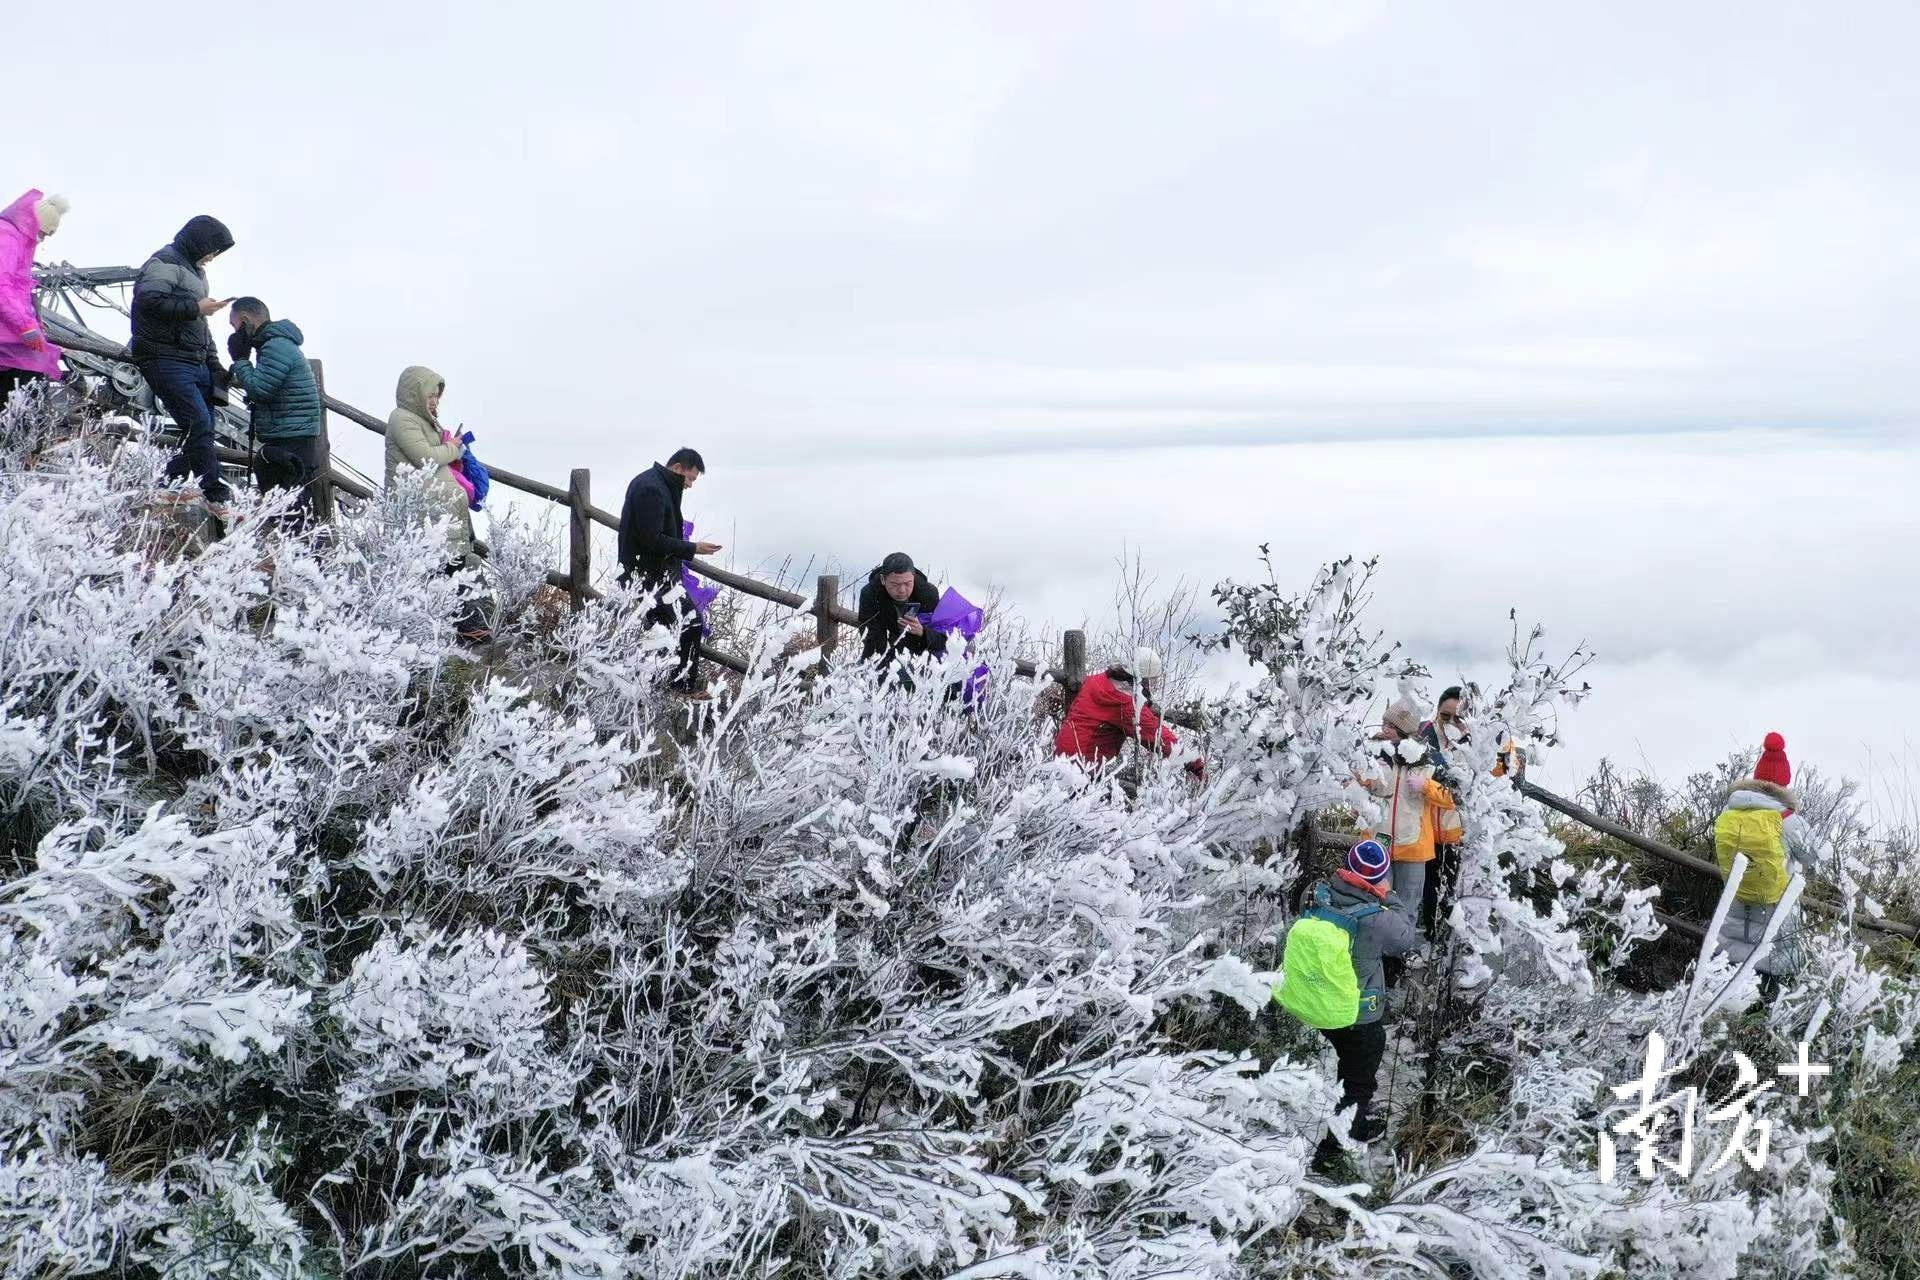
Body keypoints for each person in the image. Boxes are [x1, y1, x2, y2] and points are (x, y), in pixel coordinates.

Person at [1304, 838, 1420, 1171]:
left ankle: (1353, 1123)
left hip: (1320, 1002)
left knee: (1349, 1065)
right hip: (1356, 1013)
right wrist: (1391, 895)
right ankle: (1331, 1155)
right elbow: (1406, 936)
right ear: (1380, 878)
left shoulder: (1318, 893)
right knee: (1360, 1081)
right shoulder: (1377, 918)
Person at [132, 215, 237, 519]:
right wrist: (196, 307)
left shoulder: (197, 272)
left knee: (203, 428)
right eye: (213, 249)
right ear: (199, 242)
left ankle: (166, 484)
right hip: (164, 357)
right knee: (199, 424)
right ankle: (215, 494)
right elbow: (148, 302)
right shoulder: (163, 261)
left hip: (194, 359)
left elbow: (200, 324)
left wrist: (215, 364)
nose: (213, 256)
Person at [386, 365, 488, 642]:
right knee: (439, 567)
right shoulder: (402, 419)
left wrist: (451, 450)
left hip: (440, 510)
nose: (434, 401)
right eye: (430, 395)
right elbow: (425, 457)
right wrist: (453, 446)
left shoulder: (425, 422)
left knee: (453, 564)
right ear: (414, 393)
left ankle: (466, 626)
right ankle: (460, 629)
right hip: (423, 512)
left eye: (437, 396)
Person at [1713, 733, 1817, 997]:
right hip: (1774, 918)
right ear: (1784, 783)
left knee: (1731, 994)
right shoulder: (1789, 820)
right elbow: (1813, 855)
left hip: (1734, 913)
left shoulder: (1730, 812)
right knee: (1768, 999)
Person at [1361, 695, 1456, 971]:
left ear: (1402, 729)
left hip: (1414, 847)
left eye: (1389, 725)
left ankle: (1401, 952)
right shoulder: (1376, 755)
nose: (1384, 728)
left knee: (1407, 905)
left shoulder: (1430, 762)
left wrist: (1426, 786)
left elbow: (1451, 798)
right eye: (1384, 723)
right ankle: (1374, 951)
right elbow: (1360, 786)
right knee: (1377, 899)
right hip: (1377, 844)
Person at [619, 448, 722, 694]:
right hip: (650, 578)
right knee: (691, 622)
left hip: (653, 575)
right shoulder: (652, 490)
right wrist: (692, 548)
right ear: (677, 468)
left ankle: (655, 686)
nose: (690, 485)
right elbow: (652, 540)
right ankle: (680, 687)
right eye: (690, 478)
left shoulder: (655, 484)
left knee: (662, 631)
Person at [225, 298, 323, 528]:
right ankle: (300, 556)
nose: (234, 332)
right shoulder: (275, 344)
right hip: (293, 433)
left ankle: (303, 558)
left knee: (290, 507)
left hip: (290, 437)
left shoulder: (275, 346)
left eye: (234, 325)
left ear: (245, 321)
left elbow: (260, 389)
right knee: (289, 505)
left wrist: (240, 359)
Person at [1055, 647, 1202, 780]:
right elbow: (1158, 737)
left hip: (1061, 756)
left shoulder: (1099, 680)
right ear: (1143, 680)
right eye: (1153, 681)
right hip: (1082, 766)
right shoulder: (1125, 703)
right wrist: (1196, 764)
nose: (1155, 685)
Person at [0, 191, 68, 403]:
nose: (42, 239)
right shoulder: (8, 237)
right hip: (9, 329)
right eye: (44, 233)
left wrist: (33, 322)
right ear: (34, 223)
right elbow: (2, 287)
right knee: (29, 375)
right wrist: (26, 327)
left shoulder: (15, 237)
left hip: (10, 327)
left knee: (26, 374)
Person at [858, 552, 949, 666]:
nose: (902, 590)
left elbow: (943, 640)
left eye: (907, 583)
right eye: (895, 584)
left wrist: (922, 632)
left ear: (914, 577)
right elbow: (870, 638)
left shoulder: (928, 594)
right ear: (882, 579)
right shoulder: (870, 594)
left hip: (920, 658)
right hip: (881, 656)